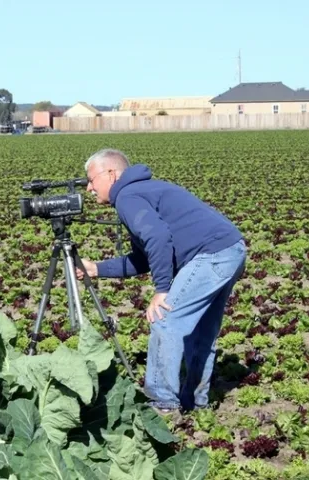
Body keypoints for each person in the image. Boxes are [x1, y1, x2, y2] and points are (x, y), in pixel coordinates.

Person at [76, 148, 246, 414]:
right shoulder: (141, 191)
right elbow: (143, 258)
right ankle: (196, 403)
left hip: (211, 255)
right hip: (230, 250)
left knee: (164, 319)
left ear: (111, 174)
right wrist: (97, 269)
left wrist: (162, 289)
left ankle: (162, 404)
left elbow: (157, 238)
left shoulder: (128, 196)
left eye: (91, 179)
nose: (88, 188)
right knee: (199, 331)